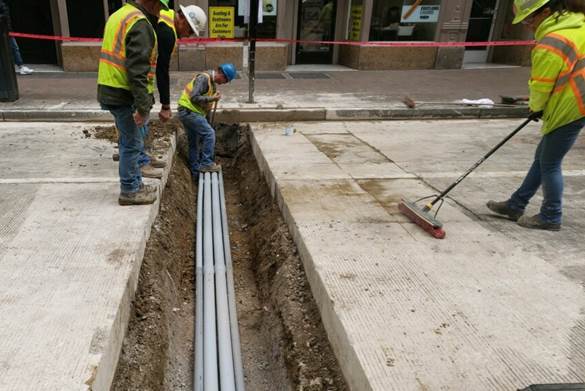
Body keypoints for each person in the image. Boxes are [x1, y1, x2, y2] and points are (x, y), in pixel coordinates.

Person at [487, 0, 585, 230]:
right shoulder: (577, 25)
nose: (529, 25)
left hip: (571, 105)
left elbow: (542, 85)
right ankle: (516, 204)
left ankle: (551, 216)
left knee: (550, 163)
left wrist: (536, 106)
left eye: (531, 18)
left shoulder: (553, 41)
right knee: (543, 157)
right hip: (578, 101)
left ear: (547, 11)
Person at [97, 0, 169, 206]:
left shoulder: (120, 15)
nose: (159, 12)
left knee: (129, 141)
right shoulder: (140, 24)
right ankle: (129, 189)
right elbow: (137, 70)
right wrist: (143, 107)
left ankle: (135, 183)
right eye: (159, 7)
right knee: (132, 144)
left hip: (111, 87)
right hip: (123, 93)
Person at [134, 5, 207, 176]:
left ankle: (141, 156)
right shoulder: (167, 33)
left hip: (143, 79)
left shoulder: (164, 15)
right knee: (137, 122)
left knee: (141, 123)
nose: (187, 35)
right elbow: (162, 69)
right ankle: (139, 161)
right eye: (189, 30)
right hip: (138, 79)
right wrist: (165, 105)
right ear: (182, 18)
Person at [177, 63, 236, 178]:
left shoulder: (212, 84)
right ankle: (206, 163)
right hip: (189, 112)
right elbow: (194, 97)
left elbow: (205, 107)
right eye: (225, 80)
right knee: (209, 134)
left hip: (188, 112)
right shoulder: (203, 79)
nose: (224, 83)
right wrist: (212, 98)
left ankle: (196, 174)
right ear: (221, 73)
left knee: (194, 143)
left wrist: (208, 121)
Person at [0, 0, 33, 75]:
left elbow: (7, 17)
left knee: (14, 48)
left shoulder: (5, 3)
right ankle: (20, 67)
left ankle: (21, 67)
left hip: (7, 30)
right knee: (14, 48)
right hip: (3, 30)